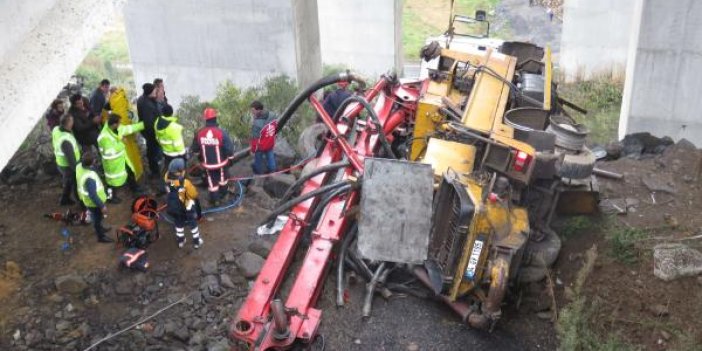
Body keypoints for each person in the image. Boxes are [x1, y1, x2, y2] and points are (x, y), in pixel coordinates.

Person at [190, 108, 235, 205]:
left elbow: (195, 150)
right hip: (221, 164)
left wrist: (200, 158)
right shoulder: (221, 133)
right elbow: (229, 149)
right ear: (215, 118)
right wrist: (231, 159)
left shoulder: (200, 133)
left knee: (212, 181)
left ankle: (215, 200)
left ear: (206, 119)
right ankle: (223, 195)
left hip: (208, 165)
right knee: (222, 179)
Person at [97, 113, 145, 203]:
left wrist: (143, 124)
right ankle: (110, 197)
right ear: (114, 124)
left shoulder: (116, 128)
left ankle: (135, 189)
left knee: (130, 173)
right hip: (112, 165)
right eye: (119, 123)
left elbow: (129, 129)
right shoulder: (104, 137)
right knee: (111, 183)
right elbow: (109, 152)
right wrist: (122, 143)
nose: (120, 124)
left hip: (121, 160)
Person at [76, 151, 114, 243]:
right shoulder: (89, 178)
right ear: (92, 162)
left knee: (96, 217)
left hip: (87, 201)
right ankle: (101, 237)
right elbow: (93, 195)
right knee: (97, 218)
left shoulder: (79, 166)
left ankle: (100, 228)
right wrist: (102, 206)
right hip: (94, 203)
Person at [165, 158, 202, 249]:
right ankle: (196, 241)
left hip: (174, 206)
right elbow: (193, 194)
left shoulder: (167, 180)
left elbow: (170, 191)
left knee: (178, 223)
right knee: (192, 222)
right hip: (186, 205)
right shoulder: (185, 183)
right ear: (181, 172)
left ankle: (181, 241)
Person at [52, 114, 81, 206]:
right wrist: (78, 171)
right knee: (76, 185)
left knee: (68, 182)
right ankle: (81, 204)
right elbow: (71, 160)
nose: (73, 122)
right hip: (68, 166)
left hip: (60, 163)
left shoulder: (56, 129)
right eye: (72, 121)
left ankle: (64, 200)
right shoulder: (66, 140)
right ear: (69, 123)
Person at [136, 83, 162, 178]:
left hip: (147, 132)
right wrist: (156, 134)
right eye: (154, 91)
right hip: (151, 133)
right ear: (150, 93)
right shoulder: (148, 105)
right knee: (152, 153)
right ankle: (156, 172)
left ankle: (155, 170)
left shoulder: (143, 99)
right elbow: (149, 123)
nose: (156, 92)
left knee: (152, 152)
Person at [249, 100, 277, 175]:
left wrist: (252, 150)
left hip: (260, 146)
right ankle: (273, 172)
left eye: (253, 110)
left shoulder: (256, 124)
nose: (252, 112)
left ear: (258, 110)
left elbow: (255, 140)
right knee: (271, 158)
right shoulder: (273, 115)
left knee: (258, 160)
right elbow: (275, 127)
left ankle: (259, 175)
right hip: (270, 142)